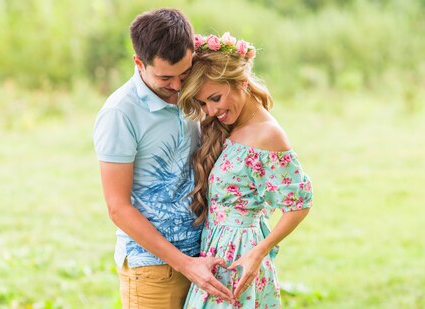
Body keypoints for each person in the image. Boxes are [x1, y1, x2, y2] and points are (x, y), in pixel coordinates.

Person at [93, 9, 234, 308]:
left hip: (205, 255)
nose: (178, 86)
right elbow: (118, 208)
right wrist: (185, 264)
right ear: (139, 63)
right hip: (155, 269)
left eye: (184, 73)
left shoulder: (195, 91)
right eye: (165, 77)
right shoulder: (120, 113)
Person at [177, 32, 314, 308]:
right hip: (215, 252)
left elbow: (299, 203)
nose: (211, 110)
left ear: (240, 82)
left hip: (239, 258)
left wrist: (258, 253)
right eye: (203, 103)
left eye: (215, 98)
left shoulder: (267, 135)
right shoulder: (234, 126)